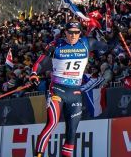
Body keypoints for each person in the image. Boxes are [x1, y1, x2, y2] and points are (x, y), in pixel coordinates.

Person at [30, 19, 89, 157]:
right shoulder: (56, 44)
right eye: (70, 32)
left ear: (80, 33)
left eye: (76, 32)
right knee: (52, 123)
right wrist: (34, 73)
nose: (73, 35)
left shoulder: (86, 43)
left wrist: (116, 35)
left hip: (75, 92)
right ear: (65, 33)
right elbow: (42, 60)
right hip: (57, 90)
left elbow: (105, 46)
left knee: (72, 131)